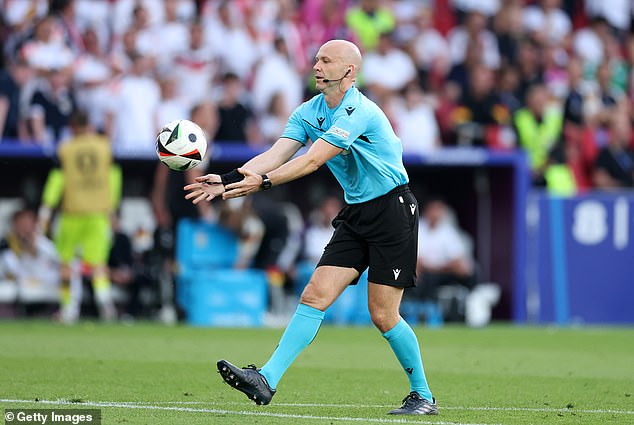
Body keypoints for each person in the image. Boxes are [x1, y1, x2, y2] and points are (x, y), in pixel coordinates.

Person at [184, 39, 437, 416]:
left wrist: (264, 183)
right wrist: (227, 178)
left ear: (349, 72)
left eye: (326, 60)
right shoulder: (309, 111)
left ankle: (423, 396)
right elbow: (276, 154)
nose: (316, 65)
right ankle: (266, 379)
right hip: (357, 213)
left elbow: (313, 161)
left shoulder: (357, 111)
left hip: (392, 211)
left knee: (383, 314)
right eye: (316, 59)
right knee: (314, 295)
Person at [38, 110, 122, 323]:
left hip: (72, 213)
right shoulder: (105, 147)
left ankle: (69, 309)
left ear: (73, 127)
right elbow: (114, 178)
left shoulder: (65, 148)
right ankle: (106, 306)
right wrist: (113, 210)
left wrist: (46, 209)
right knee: (98, 262)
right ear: (91, 126)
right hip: (98, 213)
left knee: (66, 262)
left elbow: (57, 179)